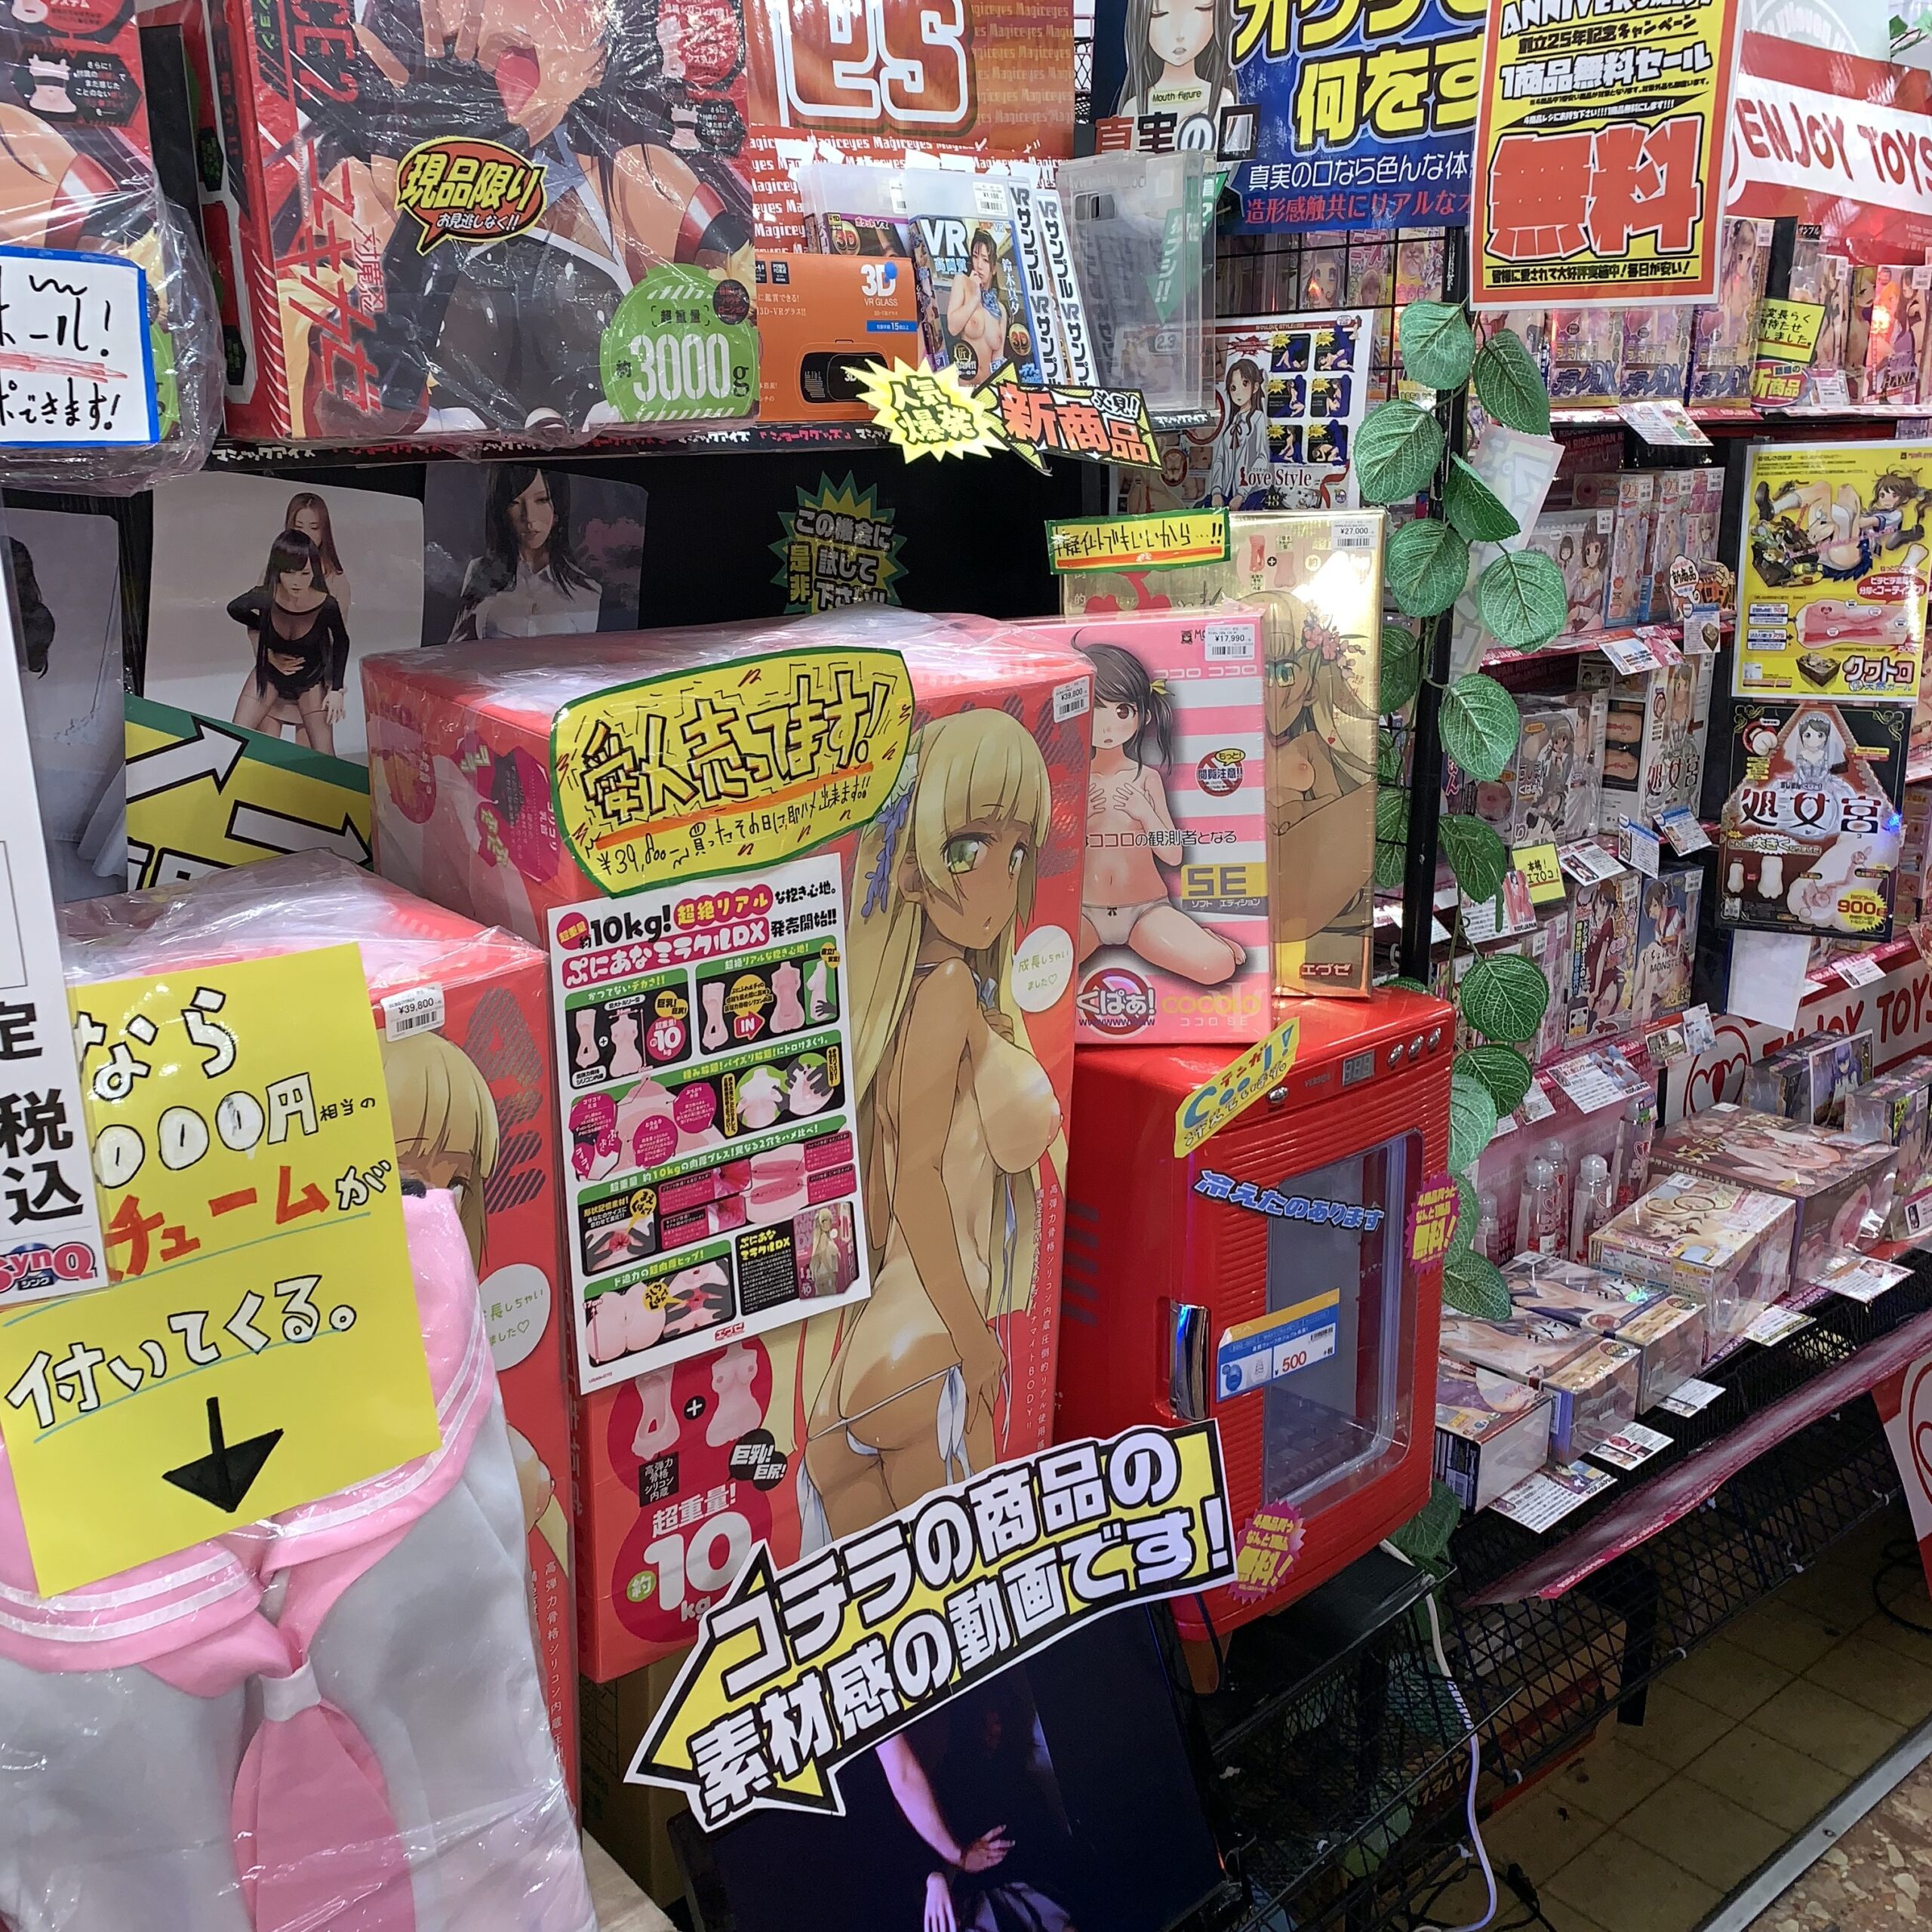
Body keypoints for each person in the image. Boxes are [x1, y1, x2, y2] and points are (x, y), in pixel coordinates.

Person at [797, 710, 1064, 1545]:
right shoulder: (946, 991)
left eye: (1015, 855)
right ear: (910, 871)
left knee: (862, 1576)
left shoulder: (900, 1005)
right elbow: (918, 1183)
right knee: (960, 1579)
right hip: (935, 1330)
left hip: (876, 1346)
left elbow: (886, 1193)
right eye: (969, 849)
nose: (1001, 884)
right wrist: (971, 1340)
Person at [1076, 639, 1243, 983]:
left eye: (1122, 711)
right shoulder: (1072, 781)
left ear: (1144, 715)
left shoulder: (1145, 778)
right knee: (1027, 972)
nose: (1106, 725)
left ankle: (1205, 939)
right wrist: (1077, 821)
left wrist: (1145, 814)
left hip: (1146, 909)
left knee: (1217, 966)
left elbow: (1172, 854)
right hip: (1084, 912)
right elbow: (1048, 860)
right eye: (1094, 709)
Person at [226, 531, 351, 755]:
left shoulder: (326, 605)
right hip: (269, 673)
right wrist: (268, 646)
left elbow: (341, 641)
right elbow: (235, 609)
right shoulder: (266, 596)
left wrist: (336, 689)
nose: (297, 581)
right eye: (289, 572)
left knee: (325, 755)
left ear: (314, 571)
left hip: (310, 679)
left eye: (305, 573)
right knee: (233, 738)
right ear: (278, 571)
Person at [450, 466, 603, 641]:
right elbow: (458, 647)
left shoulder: (586, 590)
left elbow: (584, 655)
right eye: (514, 502)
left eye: (542, 500)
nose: (529, 517)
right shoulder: (481, 571)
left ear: (557, 509)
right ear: (502, 510)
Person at [1112, 0, 1235, 149]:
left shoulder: (1223, 99)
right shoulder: (1132, 108)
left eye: (1200, 9)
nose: (1179, 33)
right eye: (1160, 14)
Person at [943, 229, 1008, 389]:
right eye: (975, 257)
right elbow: (952, 327)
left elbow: (998, 358)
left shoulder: (1000, 310)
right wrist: (974, 298)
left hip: (989, 389)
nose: (979, 265)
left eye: (985, 260)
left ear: (994, 268)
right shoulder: (962, 282)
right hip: (964, 387)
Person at [1203, 356, 1267, 506]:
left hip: (1248, 493)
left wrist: (1242, 494)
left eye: (1244, 384)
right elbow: (1219, 459)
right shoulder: (1230, 423)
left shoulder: (1258, 418)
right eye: (1233, 388)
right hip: (1226, 493)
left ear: (1255, 387)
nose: (1238, 393)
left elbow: (1262, 458)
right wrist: (1216, 491)